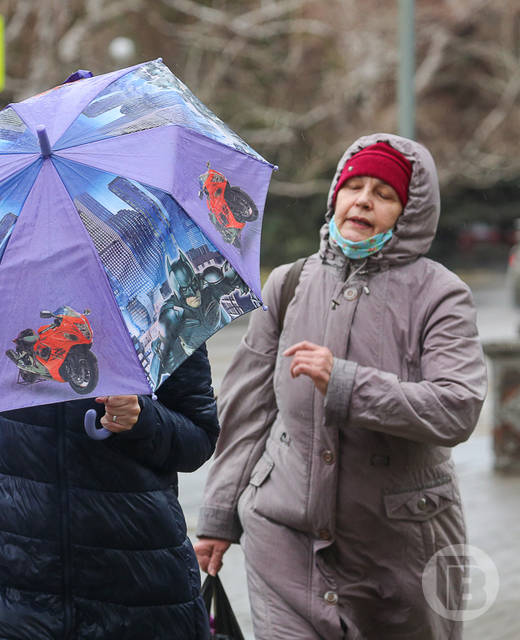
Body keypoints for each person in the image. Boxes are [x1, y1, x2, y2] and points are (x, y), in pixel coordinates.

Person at [194, 133, 487, 639]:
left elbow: (456, 409)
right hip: (283, 536)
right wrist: (218, 517)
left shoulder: (441, 295)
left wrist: (347, 383)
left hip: (400, 553)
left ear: (409, 213)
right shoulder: (289, 283)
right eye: (355, 186)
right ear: (336, 196)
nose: (364, 201)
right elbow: (248, 410)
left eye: (385, 193)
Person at [0, 346, 221, 639]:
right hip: (10, 582)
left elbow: (198, 440)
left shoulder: (155, 312)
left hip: (137, 581)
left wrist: (144, 418)